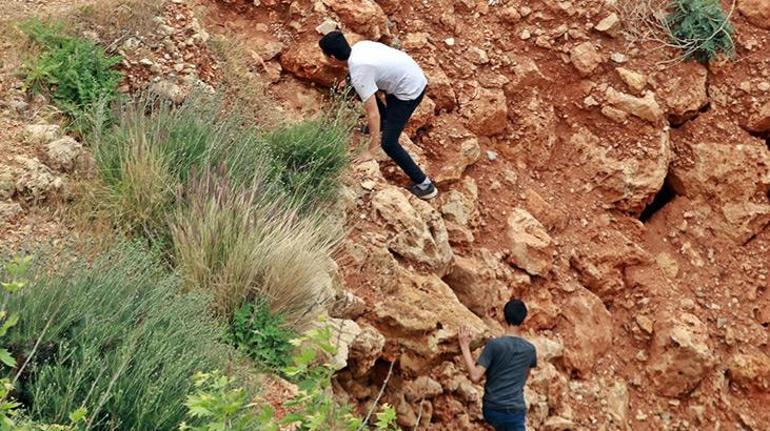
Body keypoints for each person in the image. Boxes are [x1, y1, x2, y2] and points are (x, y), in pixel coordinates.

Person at [318, 30, 438, 200]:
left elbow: (372, 114)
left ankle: (425, 186)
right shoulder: (360, 47)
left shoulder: (360, 71)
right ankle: (384, 124)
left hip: (409, 92)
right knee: (354, 85)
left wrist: (371, 150)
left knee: (389, 143)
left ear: (332, 58)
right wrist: (351, 79)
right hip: (408, 75)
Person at [458, 299, 537, 431]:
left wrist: (464, 346)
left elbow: (475, 376)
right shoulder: (530, 350)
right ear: (523, 320)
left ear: (504, 316)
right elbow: (524, 377)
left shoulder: (494, 345)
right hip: (514, 411)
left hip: (492, 409)